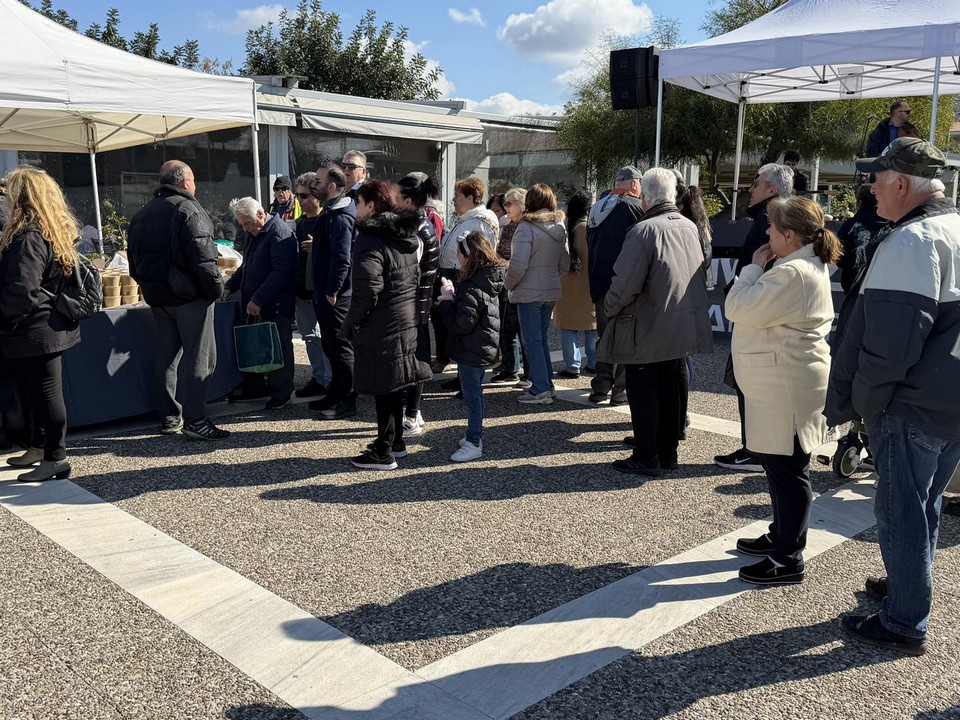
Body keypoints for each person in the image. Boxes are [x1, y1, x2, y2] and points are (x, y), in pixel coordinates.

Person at [828, 137, 960, 656]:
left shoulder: (913, 241)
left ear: (902, 183)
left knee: (901, 508)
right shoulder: (953, 227)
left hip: (911, 403)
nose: (872, 190)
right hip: (948, 399)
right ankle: (908, 583)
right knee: (924, 501)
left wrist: (864, 402)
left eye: (878, 180)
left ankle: (905, 619)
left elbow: (889, 347)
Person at [726, 196, 839, 585]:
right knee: (782, 468)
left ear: (789, 236)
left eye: (772, 228)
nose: (767, 234)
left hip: (786, 387)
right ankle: (782, 536)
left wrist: (751, 269)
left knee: (788, 473)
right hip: (786, 383)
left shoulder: (791, 272)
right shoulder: (798, 266)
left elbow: (737, 307)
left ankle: (787, 557)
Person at [600, 168, 713, 476]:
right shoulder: (689, 225)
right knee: (669, 391)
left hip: (648, 322)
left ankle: (646, 454)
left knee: (644, 392)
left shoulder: (644, 230)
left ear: (645, 197)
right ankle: (667, 452)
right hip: (681, 321)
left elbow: (625, 283)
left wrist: (609, 306)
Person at [127, 160, 228, 440]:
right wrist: (215, 290)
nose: (195, 185)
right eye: (193, 180)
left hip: (158, 297)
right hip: (189, 297)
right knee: (200, 357)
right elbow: (205, 259)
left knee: (167, 358)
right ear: (184, 182)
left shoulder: (142, 214)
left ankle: (170, 418)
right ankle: (196, 420)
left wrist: (150, 287)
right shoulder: (189, 210)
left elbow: (133, 263)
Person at [0, 167, 82, 480]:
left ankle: (56, 457)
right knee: (37, 392)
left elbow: (22, 290)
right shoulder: (46, 230)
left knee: (46, 393)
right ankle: (40, 447)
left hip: (35, 327)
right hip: (41, 325)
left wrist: (6, 318)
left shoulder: (30, 236)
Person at [347, 180, 432, 470]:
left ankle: (383, 451)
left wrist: (356, 319)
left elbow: (367, 288)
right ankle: (395, 442)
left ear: (371, 206)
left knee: (384, 385)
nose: (355, 208)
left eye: (358, 202)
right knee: (394, 383)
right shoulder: (404, 234)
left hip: (382, 321)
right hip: (405, 317)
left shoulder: (370, 239)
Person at [714, 163, 793, 474]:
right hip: (762, 312)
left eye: (757, 183)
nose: (751, 188)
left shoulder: (771, 218)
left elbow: (757, 264)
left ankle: (756, 451)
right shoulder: (778, 215)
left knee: (750, 382)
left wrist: (739, 295)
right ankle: (761, 448)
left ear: (772, 189)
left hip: (756, 313)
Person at [438, 230, 506, 462]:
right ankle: (472, 435)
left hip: (471, 348)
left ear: (468, 256)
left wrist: (447, 300)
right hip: (483, 345)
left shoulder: (471, 285)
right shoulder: (488, 278)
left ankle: (474, 440)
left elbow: (460, 324)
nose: (457, 257)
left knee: (472, 397)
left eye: (459, 253)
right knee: (475, 394)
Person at [226, 197, 298, 410]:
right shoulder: (255, 233)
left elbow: (281, 273)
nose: (245, 228)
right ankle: (256, 386)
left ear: (260, 214)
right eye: (242, 224)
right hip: (257, 301)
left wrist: (258, 299)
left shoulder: (279, 233)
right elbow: (246, 266)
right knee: (258, 345)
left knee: (279, 347)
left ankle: (282, 392)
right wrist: (230, 286)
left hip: (275, 303)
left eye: (247, 223)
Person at [506, 183, 570, 405]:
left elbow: (518, 265)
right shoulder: (558, 226)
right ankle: (546, 384)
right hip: (550, 290)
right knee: (540, 340)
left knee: (532, 341)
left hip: (528, 291)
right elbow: (565, 263)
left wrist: (508, 284)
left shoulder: (526, 227)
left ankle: (540, 389)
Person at [587, 166, 645, 405]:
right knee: (626, 338)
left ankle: (600, 386)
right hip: (624, 283)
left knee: (605, 335)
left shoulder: (597, 208)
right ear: (634, 184)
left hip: (599, 282)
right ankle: (621, 391)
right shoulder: (636, 208)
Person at [433, 177, 499, 374]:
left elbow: (478, 254)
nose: (453, 199)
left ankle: (463, 371)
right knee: (446, 320)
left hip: (464, 275)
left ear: (470, 198)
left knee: (463, 324)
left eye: (457, 195)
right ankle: (448, 360)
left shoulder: (480, 222)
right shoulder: (465, 219)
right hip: (453, 273)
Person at [310, 163, 358, 419]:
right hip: (325, 292)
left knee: (341, 347)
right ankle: (336, 392)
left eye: (317, 182)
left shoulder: (341, 216)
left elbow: (342, 257)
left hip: (337, 296)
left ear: (331, 186)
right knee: (330, 345)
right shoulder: (329, 211)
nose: (313, 185)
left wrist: (332, 290)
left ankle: (348, 399)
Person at [396, 173, 440, 437]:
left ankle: (411, 415)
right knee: (414, 357)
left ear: (409, 201)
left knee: (413, 359)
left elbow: (408, 271)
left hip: (413, 302)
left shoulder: (417, 230)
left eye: (398, 196)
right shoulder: (419, 224)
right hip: (417, 301)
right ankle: (414, 411)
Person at [292, 172, 332, 399]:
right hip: (302, 288)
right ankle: (320, 377)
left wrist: (319, 246)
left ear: (317, 196)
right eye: (298, 195)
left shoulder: (328, 221)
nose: (300, 200)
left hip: (322, 289)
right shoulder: (300, 223)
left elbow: (343, 253)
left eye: (305, 195)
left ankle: (330, 380)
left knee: (324, 336)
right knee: (309, 336)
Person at [553, 190, 597, 379]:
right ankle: (594, 363)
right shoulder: (591, 228)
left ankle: (572, 366)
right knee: (592, 325)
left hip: (567, 281)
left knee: (568, 326)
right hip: (589, 281)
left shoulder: (566, 229)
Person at [489, 186, 528, 386]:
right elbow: (500, 249)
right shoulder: (508, 224)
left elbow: (523, 258)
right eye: (505, 203)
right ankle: (510, 367)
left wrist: (507, 263)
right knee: (507, 328)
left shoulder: (528, 225)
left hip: (521, 282)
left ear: (522, 204)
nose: (506, 207)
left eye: (509, 203)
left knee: (524, 331)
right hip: (505, 280)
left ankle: (529, 373)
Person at [835, 184, 885, 294]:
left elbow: (838, 254)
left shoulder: (849, 225)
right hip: (880, 282)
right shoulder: (889, 224)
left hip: (852, 281)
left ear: (860, 201)